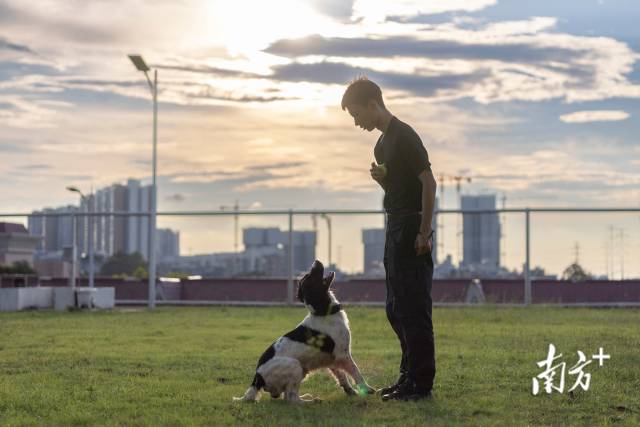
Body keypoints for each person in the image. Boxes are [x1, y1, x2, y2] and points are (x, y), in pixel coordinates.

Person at [342, 76, 437, 401]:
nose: (357, 123)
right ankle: (407, 377)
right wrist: (383, 180)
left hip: (412, 228)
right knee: (396, 309)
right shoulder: (381, 145)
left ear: (373, 105)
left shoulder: (405, 135)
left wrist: (424, 232)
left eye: (357, 115)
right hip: (394, 227)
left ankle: (421, 384)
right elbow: (400, 189)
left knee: (414, 308)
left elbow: (428, 183)